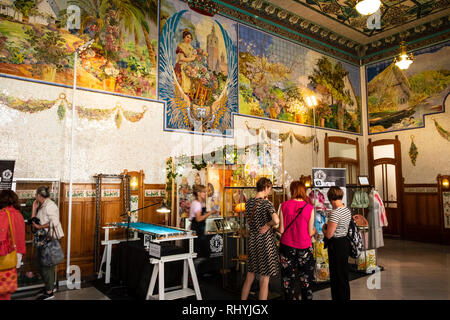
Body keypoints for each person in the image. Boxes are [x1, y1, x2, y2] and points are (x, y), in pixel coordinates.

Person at [241, 178, 279, 300]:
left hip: (252, 240)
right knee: (264, 279)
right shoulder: (267, 203)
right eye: (270, 189)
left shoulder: (249, 203)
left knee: (250, 276)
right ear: (267, 188)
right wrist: (268, 225)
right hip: (265, 242)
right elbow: (276, 221)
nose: (270, 191)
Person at [279, 181, 315, 300]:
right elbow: (310, 233)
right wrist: (315, 231)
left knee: (288, 280)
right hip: (304, 247)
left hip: (286, 246)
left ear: (292, 191)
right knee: (306, 280)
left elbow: (281, 229)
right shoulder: (309, 208)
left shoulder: (283, 205)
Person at [32, 186, 64, 300]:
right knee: (39, 263)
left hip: (49, 238)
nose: (36, 197)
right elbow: (33, 221)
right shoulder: (42, 204)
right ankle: (48, 287)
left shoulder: (50, 206)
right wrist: (34, 208)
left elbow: (54, 222)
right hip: (42, 238)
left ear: (39, 196)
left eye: (36, 195)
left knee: (46, 265)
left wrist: (40, 226)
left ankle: (49, 292)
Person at [322, 186, 352, 301]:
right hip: (344, 242)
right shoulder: (346, 209)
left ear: (331, 198)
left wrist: (324, 229)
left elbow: (329, 234)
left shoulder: (335, 213)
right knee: (343, 274)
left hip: (336, 245)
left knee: (336, 275)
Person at [0, 190, 26, 300]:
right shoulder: (19, 215)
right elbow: (21, 236)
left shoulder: (2, 214)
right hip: (15, 255)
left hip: (3, 255)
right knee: (5, 287)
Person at [189, 184, 217, 266]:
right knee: (200, 253)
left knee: (199, 252)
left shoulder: (196, 203)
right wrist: (211, 213)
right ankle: (195, 273)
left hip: (197, 230)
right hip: (197, 231)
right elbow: (198, 219)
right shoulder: (197, 204)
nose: (205, 194)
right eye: (203, 192)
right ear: (198, 193)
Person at [175, 29, 197, 95]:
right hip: (181, 66)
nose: (189, 39)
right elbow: (181, 58)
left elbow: (194, 58)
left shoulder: (191, 48)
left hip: (189, 67)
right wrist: (192, 58)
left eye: (190, 38)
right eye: (187, 37)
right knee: (184, 83)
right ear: (184, 37)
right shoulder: (181, 46)